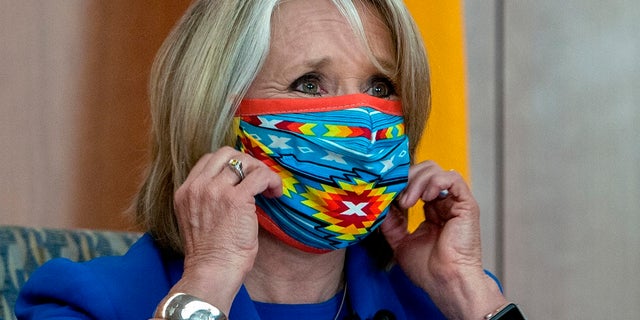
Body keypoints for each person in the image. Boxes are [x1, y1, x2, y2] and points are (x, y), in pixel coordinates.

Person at [16, 0, 521, 319]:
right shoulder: (88, 303)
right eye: (309, 84)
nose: (362, 121)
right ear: (214, 110)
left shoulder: (440, 303)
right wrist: (208, 283)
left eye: (380, 87)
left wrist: (466, 291)